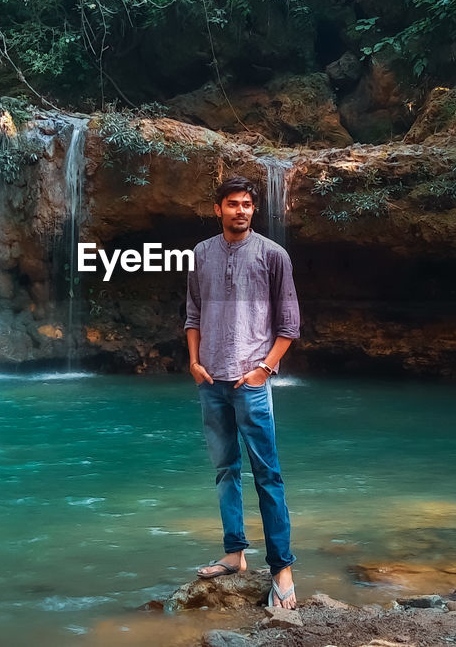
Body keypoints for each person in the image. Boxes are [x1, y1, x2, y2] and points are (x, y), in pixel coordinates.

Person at [185, 176, 301, 610]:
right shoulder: (200, 253)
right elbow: (193, 312)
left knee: (267, 476)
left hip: (250, 382)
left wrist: (264, 370)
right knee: (224, 471)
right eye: (232, 203)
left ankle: (282, 568)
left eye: (247, 204)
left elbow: (290, 325)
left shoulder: (273, 255)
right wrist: (195, 363)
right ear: (219, 209)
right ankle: (235, 554)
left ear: (254, 209)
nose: (240, 210)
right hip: (210, 380)